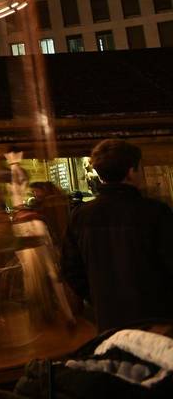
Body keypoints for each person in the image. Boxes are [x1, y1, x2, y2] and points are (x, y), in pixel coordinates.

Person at [61, 139, 173, 332]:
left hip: (109, 320)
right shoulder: (156, 212)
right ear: (131, 172)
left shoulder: (80, 216)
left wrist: (98, 298)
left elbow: (71, 269)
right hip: (157, 319)